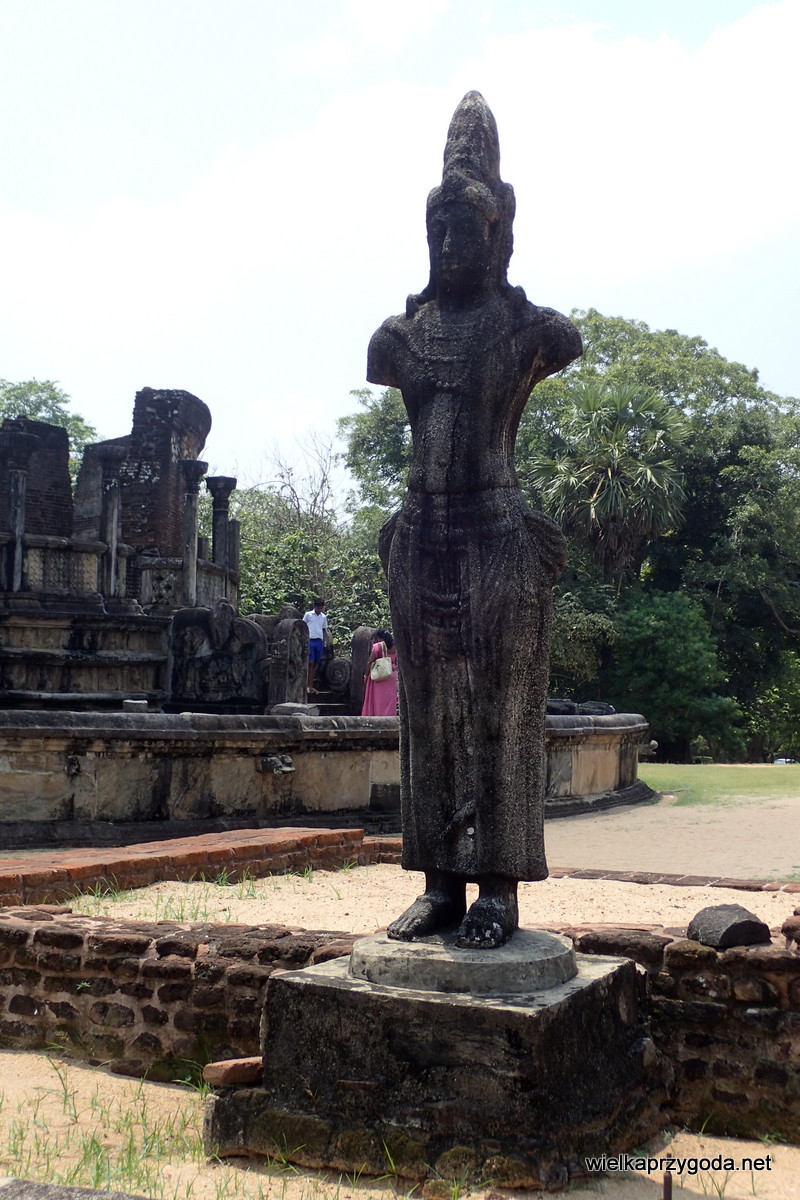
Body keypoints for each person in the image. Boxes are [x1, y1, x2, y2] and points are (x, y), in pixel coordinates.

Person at [366, 92, 581, 949]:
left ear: (501, 232)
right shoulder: (400, 336)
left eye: (470, 228)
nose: (454, 244)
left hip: (496, 535)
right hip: (421, 536)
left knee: (501, 713)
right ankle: (439, 882)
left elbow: (560, 336)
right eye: (442, 229)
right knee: (427, 717)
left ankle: (498, 888)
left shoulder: (530, 330)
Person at [361, 629, 399, 717]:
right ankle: (389, 718)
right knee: (390, 700)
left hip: (380, 675)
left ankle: (377, 717)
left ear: (379, 638)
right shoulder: (396, 646)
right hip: (392, 675)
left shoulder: (378, 646)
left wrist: (366, 675)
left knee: (378, 700)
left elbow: (370, 661)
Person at [303, 598, 328, 695]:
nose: (319, 609)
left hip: (319, 641)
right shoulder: (308, 615)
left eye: (321, 608)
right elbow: (303, 626)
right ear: (315, 606)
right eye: (318, 607)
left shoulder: (323, 617)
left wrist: (325, 642)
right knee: (310, 662)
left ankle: (310, 685)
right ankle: (306, 685)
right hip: (310, 640)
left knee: (316, 664)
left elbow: (324, 630)